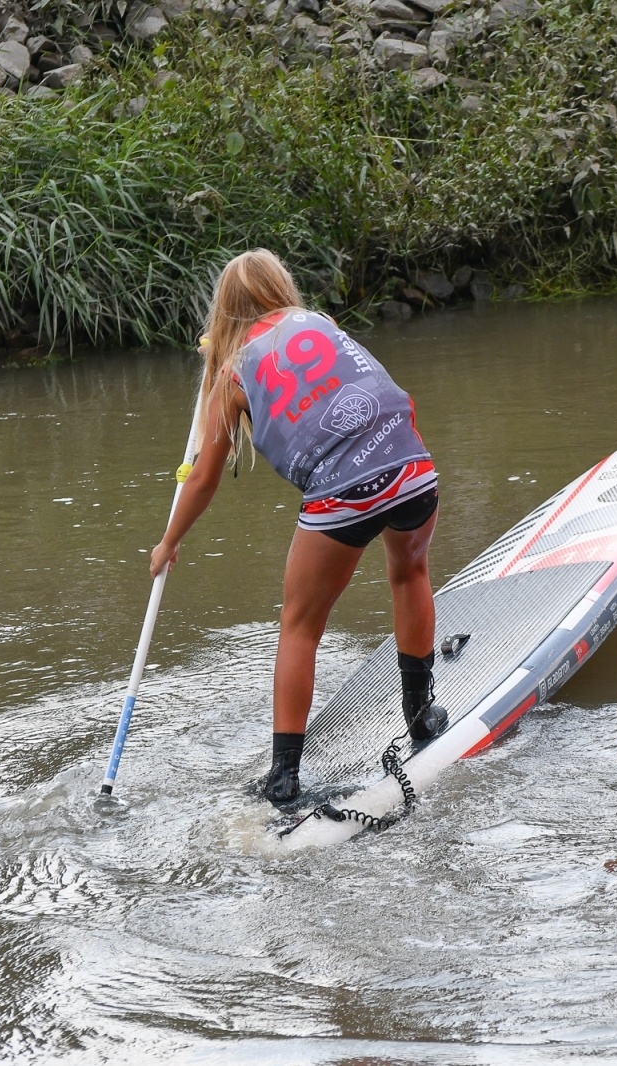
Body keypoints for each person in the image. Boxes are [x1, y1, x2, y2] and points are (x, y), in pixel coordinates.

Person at [149, 249, 447, 804]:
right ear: (279, 288)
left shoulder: (231, 375)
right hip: (412, 465)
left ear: (224, 312)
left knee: (300, 625)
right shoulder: (320, 323)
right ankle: (422, 718)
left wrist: (169, 542)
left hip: (342, 491)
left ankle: (284, 776)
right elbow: (377, 390)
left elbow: (204, 479)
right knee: (410, 573)